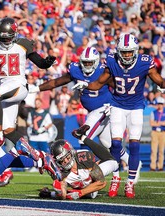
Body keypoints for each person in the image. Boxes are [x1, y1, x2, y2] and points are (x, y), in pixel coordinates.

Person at [71, 33, 165, 198]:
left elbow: (159, 80)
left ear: (135, 51)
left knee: (134, 145)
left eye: (130, 52)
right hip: (117, 105)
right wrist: (86, 84)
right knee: (115, 145)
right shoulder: (112, 61)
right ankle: (116, 178)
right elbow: (100, 82)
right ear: (119, 51)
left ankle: (129, 183)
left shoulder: (145, 62)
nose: (127, 55)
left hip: (136, 106)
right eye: (124, 52)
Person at [29, 46, 130, 183]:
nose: (87, 65)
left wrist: (117, 105)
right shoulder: (76, 70)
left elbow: (120, 87)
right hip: (93, 111)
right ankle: (130, 164)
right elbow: (56, 82)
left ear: (96, 62)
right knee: (109, 144)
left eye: (90, 62)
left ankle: (83, 172)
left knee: (84, 137)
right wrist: (36, 88)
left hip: (104, 109)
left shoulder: (103, 71)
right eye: (85, 62)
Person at [0, 17, 56, 146]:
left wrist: (47, 63)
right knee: (8, 130)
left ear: (15, 34)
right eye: (3, 38)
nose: (5, 41)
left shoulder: (23, 44)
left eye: (8, 38)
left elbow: (40, 63)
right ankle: (33, 152)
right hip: (6, 89)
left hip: (18, 85)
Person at [39, 125, 118, 200]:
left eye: (67, 157)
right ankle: (48, 193)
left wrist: (80, 193)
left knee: (113, 162)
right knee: (90, 194)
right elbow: (63, 195)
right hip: (86, 183)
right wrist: (55, 192)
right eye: (62, 160)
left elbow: (101, 182)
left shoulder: (83, 157)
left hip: (92, 172)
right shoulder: (60, 172)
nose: (66, 161)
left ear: (71, 153)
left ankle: (82, 137)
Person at [149, 96, 165, 171]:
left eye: (161, 104)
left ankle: (160, 166)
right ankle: (153, 166)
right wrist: (161, 123)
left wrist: (158, 123)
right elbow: (151, 123)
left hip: (162, 133)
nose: (160, 105)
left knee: (161, 150)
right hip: (155, 132)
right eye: (158, 104)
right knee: (154, 150)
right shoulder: (153, 112)